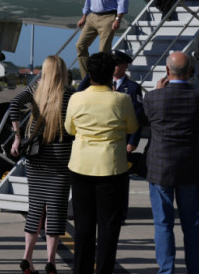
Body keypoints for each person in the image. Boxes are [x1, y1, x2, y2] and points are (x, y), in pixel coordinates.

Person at [64, 52, 139, 274]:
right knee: (108, 226)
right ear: (110, 74)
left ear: (89, 74)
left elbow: (70, 129)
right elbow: (132, 127)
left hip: (81, 166)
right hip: (111, 167)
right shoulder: (122, 99)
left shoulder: (76, 98)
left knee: (84, 226)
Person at [143, 51, 199, 274]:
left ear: (167, 71)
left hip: (160, 168)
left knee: (163, 224)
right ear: (191, 72)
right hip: (190, 167)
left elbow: (148, 120)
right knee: (192, 225)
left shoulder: (153, 98)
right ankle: (194, 270)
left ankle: (167, 270)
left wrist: (159, 92)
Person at [9, 56, 75, 274]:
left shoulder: (35, 90)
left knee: (35, 208)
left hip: (36, 158)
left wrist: (17, 136)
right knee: (56, 211)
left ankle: (27, 257)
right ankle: (51, 262)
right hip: (61, 157)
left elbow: (13, 104)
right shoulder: (70, 95)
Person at [75, 0, 128, 79]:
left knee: (103, 52)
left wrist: (118, 18)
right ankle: (86, 78)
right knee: (80, 46)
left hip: (108, 17)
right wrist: (84, 17)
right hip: (92, 17)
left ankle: (102, 80)